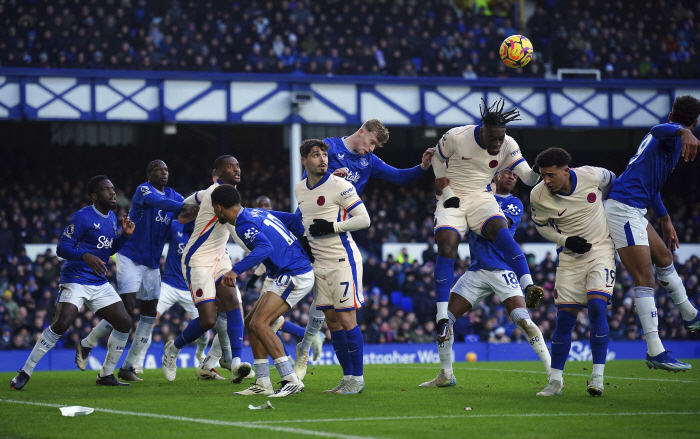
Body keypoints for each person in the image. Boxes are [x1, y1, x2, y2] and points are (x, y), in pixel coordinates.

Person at [294, 119, 435, 379]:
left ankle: (310, 349)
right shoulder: (328, 148)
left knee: (329, 309)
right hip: (307, 226)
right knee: (294, 290)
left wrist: (423, 166)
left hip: (335, 235)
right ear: (362, 131)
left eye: (375, 146)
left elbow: (400, 177)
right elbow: (307, 180)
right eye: (371, 142)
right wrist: (327, 178)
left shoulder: (369, 162)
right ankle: (302, 344)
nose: (371, 149)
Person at [420, 169, 551, 388]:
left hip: (503, 269)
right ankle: (446, 374)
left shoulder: (514, 203)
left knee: (522, 320)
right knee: (444, 318)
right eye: (507, 173)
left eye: (515, 176)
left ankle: (552, 373)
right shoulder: (475, 196)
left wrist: (478, 204)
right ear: (495, 176)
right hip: (477, 271)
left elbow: (495, 227)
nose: (512, 177)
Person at [430, 98, 544, 345]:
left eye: (500, 138)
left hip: (482, 196)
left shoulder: (508, 144)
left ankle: (529, 285)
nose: (496, 143)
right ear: (482, 130)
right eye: (492, 138)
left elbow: (528, 177)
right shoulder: (457, 137)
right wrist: (445, 188)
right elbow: (438, 159)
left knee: (500, 231)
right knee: (447, 245)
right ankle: (441, 318)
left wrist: (538, 170)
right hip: (454, 196)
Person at [77, 160, 197, 382]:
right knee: (127, 308)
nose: (164, 172)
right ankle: (87, 343)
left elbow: (186, 210)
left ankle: (128, 366)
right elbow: (165, 204)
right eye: (159, 170)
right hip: (130, 255)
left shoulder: (174, 195)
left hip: (151, 263)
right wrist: (185, 206)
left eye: (166, 170)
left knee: (149, 315)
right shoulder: (145, 190)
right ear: (149, 173)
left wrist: (200, 205)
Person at [11, 176, 135, 389]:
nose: (113, 193)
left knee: (124, 323)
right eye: (107, 190)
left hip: (98, 282)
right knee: (62, 323)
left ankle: (106, 375)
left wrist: (124, 236)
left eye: (113, 189)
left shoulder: (112, 217)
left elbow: (109, 249)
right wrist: (85, 255)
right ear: (95, 196)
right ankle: (25, 371)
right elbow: (61, 248)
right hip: (76, 278)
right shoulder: (82, 217)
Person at [604, 95, 700, 372]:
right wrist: (684, 131)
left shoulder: (669, 142)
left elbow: (651, 184)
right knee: (644, 278)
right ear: (693, 123)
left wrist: (666, 218)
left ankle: (690, 314)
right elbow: (657, 129)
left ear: (672, 113)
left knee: (664, 257)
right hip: (623, 208)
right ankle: (655, 350)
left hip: (635, 208)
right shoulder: (668, 135)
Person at [211, 185, 313, 397]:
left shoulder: (242, 224)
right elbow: (293, 221)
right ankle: (263, 381)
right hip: (287, 271)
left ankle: (290, 379)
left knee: (260, 323)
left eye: (213, 209)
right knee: (251, 323)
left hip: (294, 273)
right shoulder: (256, 212)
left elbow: (264, 248)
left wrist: (235, 271)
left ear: (219, 207)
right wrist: (289, 247)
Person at [530, 148, 615, 396]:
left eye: (551, 175)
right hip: (569, 257)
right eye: (543, 176)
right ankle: (555, 381)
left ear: (566, 171)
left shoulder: (592, 176)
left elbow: (615, 182)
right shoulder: (538, 195)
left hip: (601, 250)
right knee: (565, 317)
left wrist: (609, 208)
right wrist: (565, 240)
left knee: (598, 307)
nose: (546, 180)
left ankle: (597, 377)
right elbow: (541, 227)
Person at [161, 156, 251, 383]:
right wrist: (255, 250)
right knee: (208, 320)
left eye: (237, 165)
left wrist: (186, 204)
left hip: (220, 257)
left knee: (233, 303)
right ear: (217, 173)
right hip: (197, 259)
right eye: (230, 166)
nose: (236, 169)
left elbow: (195, 197)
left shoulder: (216, 193)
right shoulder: (216, 194)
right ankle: (173, 349)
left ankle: (237, 363)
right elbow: (235, 231)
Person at [295, 139, 371, 394]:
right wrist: (305, 241)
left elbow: (364, 219)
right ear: (304, 161)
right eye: (316, 155)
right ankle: (347, 376)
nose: (323, 159)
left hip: (342, 261)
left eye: (324, 154)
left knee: (347, 319)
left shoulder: (340, 185)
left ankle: (358, 379)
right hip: (319, 264)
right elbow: (304, 221)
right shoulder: (299, 189)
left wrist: (333, 227)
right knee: (332, 321)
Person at [131, 220, 215, 379]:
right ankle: (138, 363)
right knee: (150, 319)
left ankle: (200, 354)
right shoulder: (176, 225)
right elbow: (157, 237)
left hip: (192, 288)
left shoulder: (205, 232)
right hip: (169, 284)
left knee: (204, 326)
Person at [244, 195, 311, 344]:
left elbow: (273, 252)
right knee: (262, 321)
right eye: (260, 205)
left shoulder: (277, 222)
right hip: (274, 273)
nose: (264, 208)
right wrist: (255, 277)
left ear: (271, 208)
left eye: (266, 205)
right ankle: (290, 351)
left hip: (285, 273)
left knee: (262, 320)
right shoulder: (258, 223)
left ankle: (306, 338)